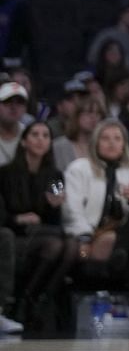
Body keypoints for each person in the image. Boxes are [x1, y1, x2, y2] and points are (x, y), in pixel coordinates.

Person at [63, 119, 129, 336]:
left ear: (124, 144)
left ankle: (120, 250)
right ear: (96, 142)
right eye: (105, 138)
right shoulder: (79, 168)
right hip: (90, 236)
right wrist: (85, 236)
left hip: (120, 235)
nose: (111, 143)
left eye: (117, 139)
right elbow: (71, 209)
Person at [1, 119, 75, 332]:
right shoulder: (6, 173)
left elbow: (55, 215)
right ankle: (28, 303)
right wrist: (18, 219)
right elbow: (2, 215)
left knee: (71, 246)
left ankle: (33, 301)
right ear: (23, 141)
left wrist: (55, 206)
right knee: (56, 244)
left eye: (46, 136)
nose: (41, 140)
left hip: (45, 233)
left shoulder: (55, 175)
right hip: (15, 234)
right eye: (35, 135)